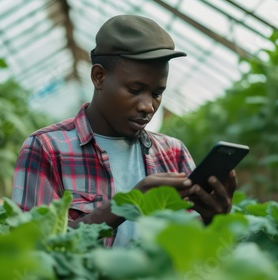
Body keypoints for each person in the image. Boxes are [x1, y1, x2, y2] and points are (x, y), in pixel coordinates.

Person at [12, 14, 237, 247]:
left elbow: (189, 248)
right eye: (134, 89)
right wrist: (126, 204)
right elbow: (33, 246)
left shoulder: (174, 152)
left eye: (157, 93)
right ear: (99, 77)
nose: (148, 106)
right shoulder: (46, 148)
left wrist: (212, 220)